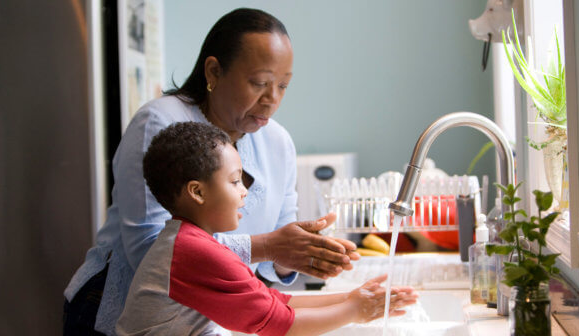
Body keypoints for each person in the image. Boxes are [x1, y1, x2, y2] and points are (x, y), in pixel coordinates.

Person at [64, 8, 359, 335]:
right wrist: (269, 246)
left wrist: (301, 253)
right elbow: (151, 252)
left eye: (283, 86)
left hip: (203, 320)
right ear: (214, 71)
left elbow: (272, 262)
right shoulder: (161, 122)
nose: (271, 100)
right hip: (116, 313)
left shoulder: (278, 142)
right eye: (259, 83)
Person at [116, 122, 417, 335]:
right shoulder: (192, 251)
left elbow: (276, 301)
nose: (244, 191)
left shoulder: (191, 241)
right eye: (235, 181)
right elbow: (280, 324)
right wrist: (356, 311)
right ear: (197, 192)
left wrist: (350, 298)